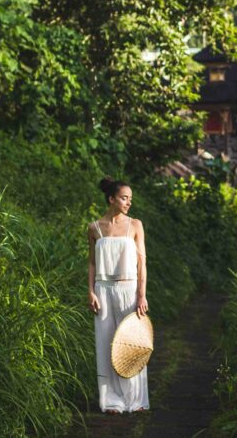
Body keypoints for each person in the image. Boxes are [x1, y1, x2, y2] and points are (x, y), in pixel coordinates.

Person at [87, 176, 149, 413]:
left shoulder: (135, 225)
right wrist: (91, 291)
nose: (128, 202)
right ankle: (112, 400)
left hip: (129, 289)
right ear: (111, 199)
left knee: (131, 344)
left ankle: (135, 400)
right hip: (103, 290)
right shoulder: (94, 228)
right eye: (124, 198)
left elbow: (142, 262)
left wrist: (141, 295)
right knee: (106, 344)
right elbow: (92, 263)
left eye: (130, 199)